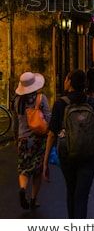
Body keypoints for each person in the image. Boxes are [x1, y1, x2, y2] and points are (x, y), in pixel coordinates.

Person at [43, 70, 94, 219]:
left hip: (67, 154)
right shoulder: (92, 102)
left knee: (71, 191)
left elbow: (52, 133)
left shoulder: (60, 103)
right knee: (82, 196)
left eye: (66, 78)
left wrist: (45, 161)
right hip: (89, 155)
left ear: (70, 82)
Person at [13, 72, 51, 210]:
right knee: (37, 170)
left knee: (23, 168)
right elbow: (48, 116)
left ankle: (23, 188)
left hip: (23, 138)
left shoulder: (17, 101)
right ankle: (34, 199)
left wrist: (16, 138)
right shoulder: (41, 98)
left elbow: (16, 121)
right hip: (38, 139)